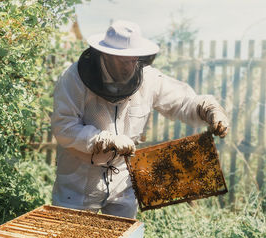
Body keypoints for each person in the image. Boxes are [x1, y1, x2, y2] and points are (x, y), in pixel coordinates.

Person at [50, 20, 229, 219]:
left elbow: (182, 102)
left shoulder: (148, 78)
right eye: (123, 60)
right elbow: (64, 127)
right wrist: (104, 139)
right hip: (78, 179)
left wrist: (208, 108)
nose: (130, 66)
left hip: (123, 178)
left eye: (134, 59)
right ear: (107, 55)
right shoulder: (73, 78)